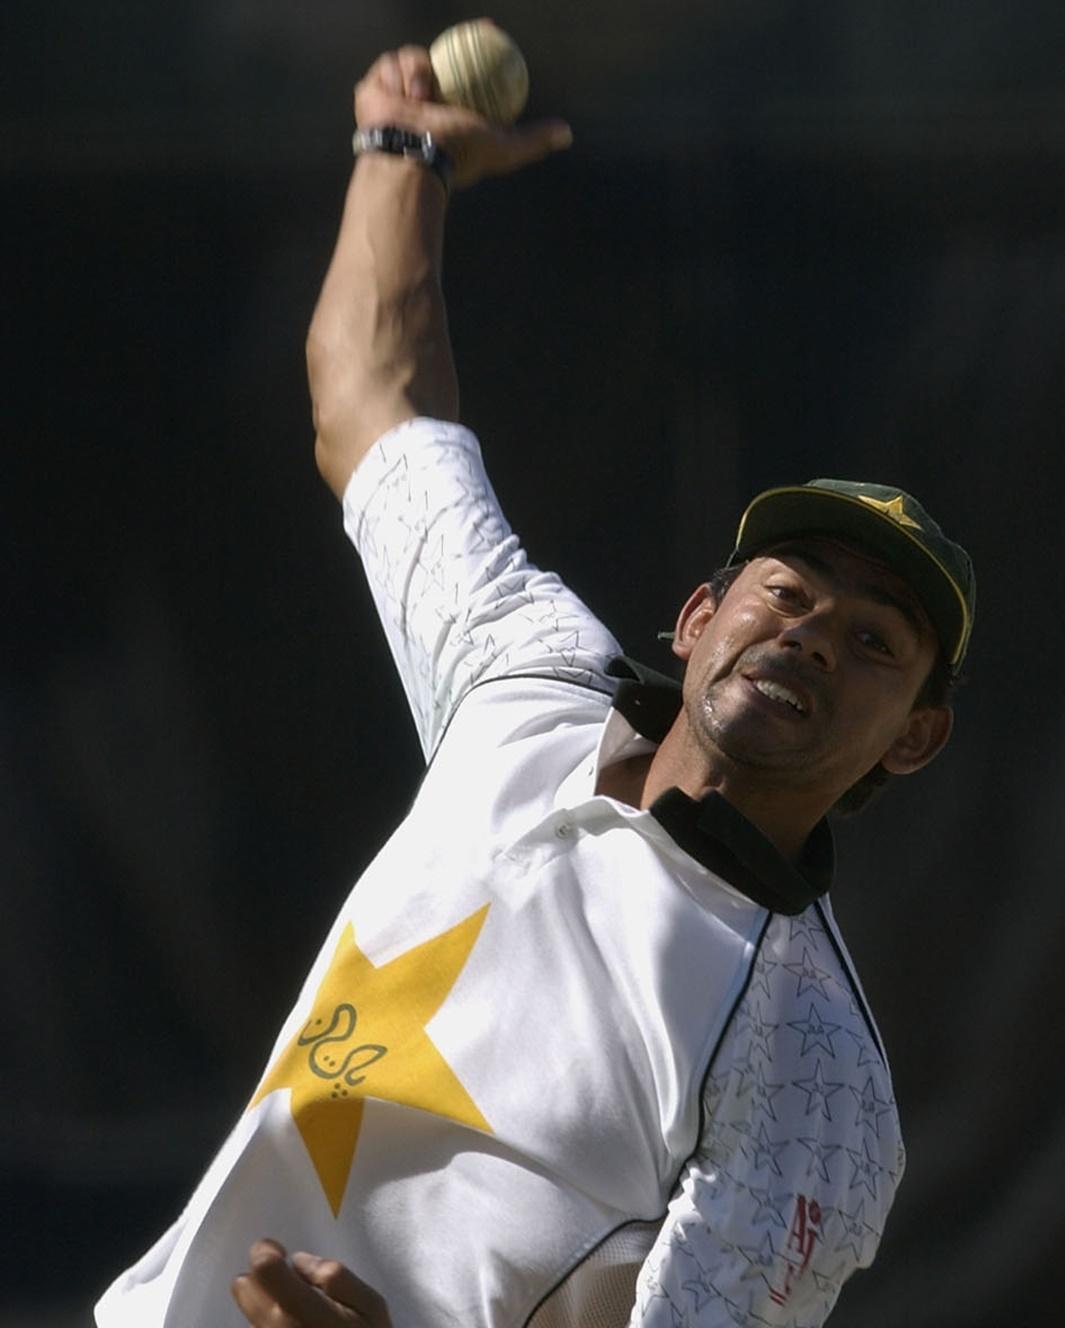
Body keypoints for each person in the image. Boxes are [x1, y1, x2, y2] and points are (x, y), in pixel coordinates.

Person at [95, 42, 975, 1328]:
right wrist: (405, 153)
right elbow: (375, 408)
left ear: (916, 738)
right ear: (698, 616)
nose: (812, 639)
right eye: (788, 593)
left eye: (875, 641)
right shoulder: (528, 677)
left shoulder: (816, 1076)